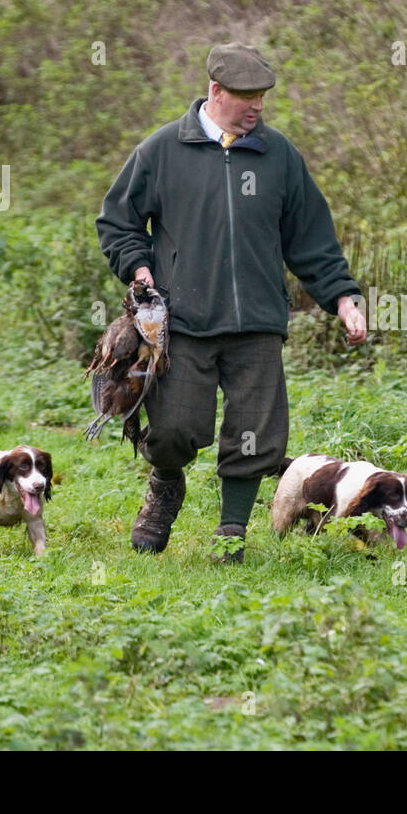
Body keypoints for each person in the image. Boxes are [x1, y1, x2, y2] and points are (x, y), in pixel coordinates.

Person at [96, 42, 366, 562]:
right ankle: (165, 483)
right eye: (246, 96)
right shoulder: (162, 151)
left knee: (254, 437)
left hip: (258, 322)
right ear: (216, 92)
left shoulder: (278, 155)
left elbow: (312, 240)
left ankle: (231, 533)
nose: (257, 107)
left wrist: (344, 298)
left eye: (262, 97)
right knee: (174, 430)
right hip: (183, 322)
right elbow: (118, 222)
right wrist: (139, 266)